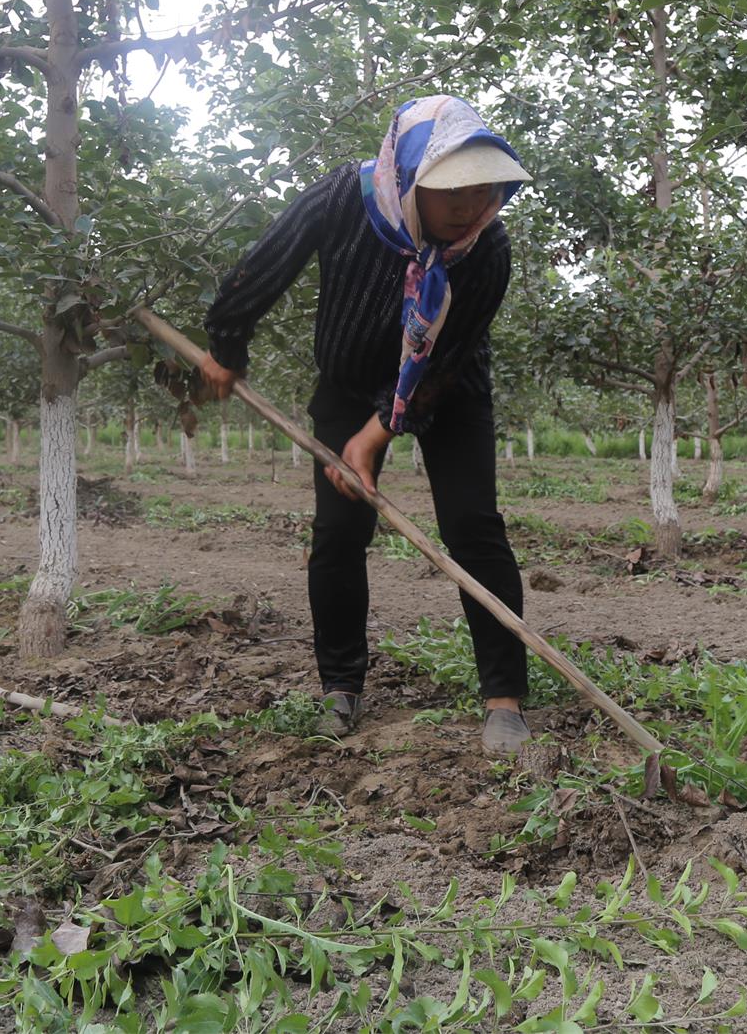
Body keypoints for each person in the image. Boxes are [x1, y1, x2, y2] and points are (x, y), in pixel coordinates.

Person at [196, 95, 534, 756]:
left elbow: (447, 356)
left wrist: (380, 433)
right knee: (340, 531)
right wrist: (226, 344)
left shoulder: (488, 249)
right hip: (350, 380)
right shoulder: (343, 199)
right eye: (450, 192)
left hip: (448, 382)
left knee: (473, 527)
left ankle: (505, 701)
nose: (469, 207)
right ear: (409, 178)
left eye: (483, 189)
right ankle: (341, 687)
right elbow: (268, 261)